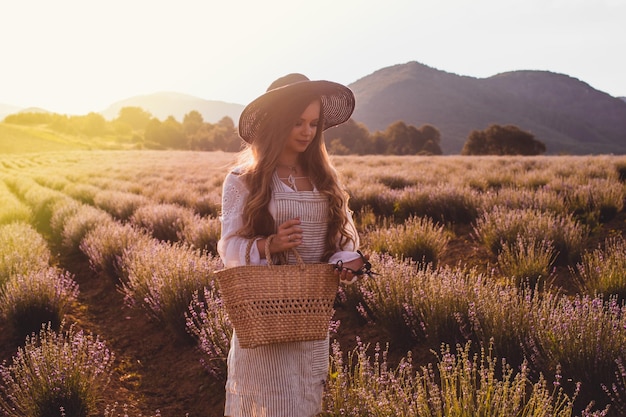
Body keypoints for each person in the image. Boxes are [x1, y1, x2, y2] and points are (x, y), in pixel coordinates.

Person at [218, 73, 365, 417]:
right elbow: (228, 248)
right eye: (297, 122)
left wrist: (348, 261)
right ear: (276, 123)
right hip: (265, 317)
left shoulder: (324, 178)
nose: (307, 131)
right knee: (268, 404)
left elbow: (343, 240)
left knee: (304, 402)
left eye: (314, 124)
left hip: (310, 320)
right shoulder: (244, 179)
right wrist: (270, 244)